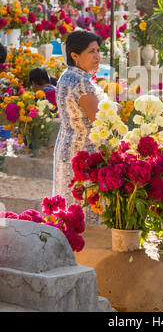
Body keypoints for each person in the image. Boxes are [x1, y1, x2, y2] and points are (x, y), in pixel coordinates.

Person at [52, 30, 107, 215]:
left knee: (67, 210)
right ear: (75, 55)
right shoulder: (81, 82)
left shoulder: (67, 76)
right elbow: (99, 120)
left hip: (67, 147)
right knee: (82, 213)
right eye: (92, 51)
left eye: (98, 51)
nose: (97, 56)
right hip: (83, 152)